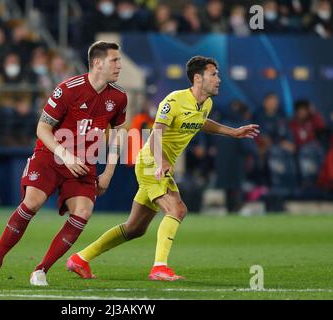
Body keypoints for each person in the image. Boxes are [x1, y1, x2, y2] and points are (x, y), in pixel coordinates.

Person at [66, 56, 259, 281]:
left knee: (134, 228)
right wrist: (162, 161)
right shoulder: (174, 100)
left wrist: (233, 132)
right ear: (198, 78)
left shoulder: (206, 104)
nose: (219, 79)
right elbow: (156, 133)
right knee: (177, 210)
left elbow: (201, 122)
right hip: (151, 163)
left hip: (158, 166)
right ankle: (159, 268)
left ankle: (80, 259)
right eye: (213, 74)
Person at [0, 41, 128, 286]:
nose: (119, 65)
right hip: (52, 156)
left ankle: (41, 270)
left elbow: (120, 133)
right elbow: (42, 128)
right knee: (32, 203)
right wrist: (65, 155)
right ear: (98, 63)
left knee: (83, 212)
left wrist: (109, 172)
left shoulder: (119, 97)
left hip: (83, 164)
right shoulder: (68, 89)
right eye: (115, 60)